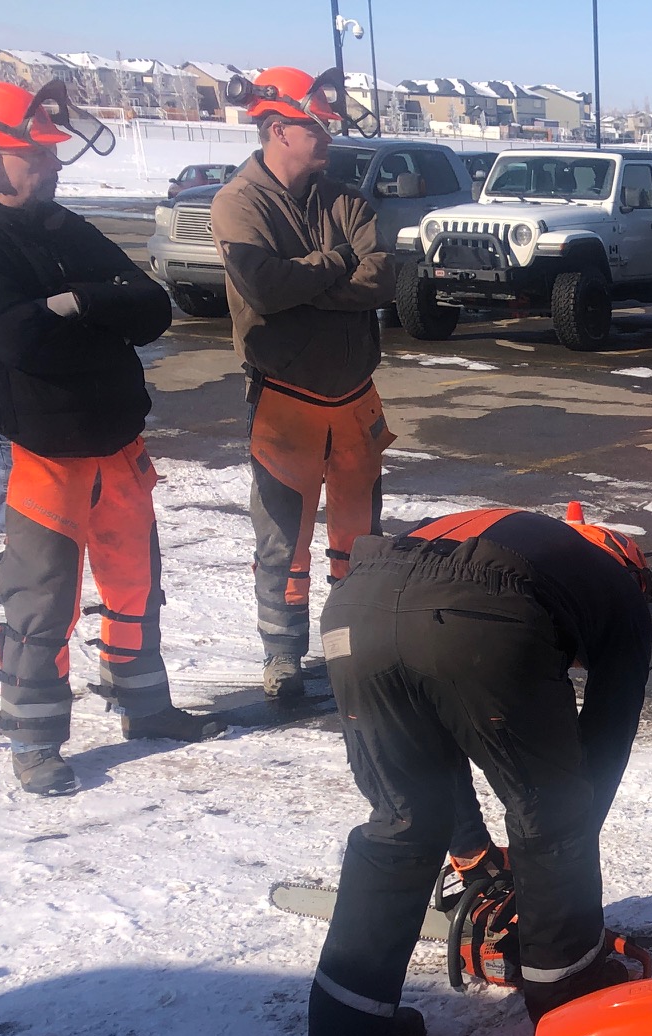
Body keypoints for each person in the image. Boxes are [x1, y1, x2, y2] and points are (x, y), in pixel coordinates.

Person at [306, 506, 652, 1036]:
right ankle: (570, 1014)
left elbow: (436, 723)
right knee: (554, 815)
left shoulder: (519, 537)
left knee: (401, 820)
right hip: (481, 614)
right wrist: (545, 870)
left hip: (354, 609)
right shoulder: (619, 589)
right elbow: (601, 747)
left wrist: (472, 850)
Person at [0, 81, 224, 797]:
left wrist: (74, 303)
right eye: (36, 153)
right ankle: (34, 738)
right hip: (36, 445)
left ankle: (146, 706)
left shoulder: (62, 224)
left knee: (136, 582)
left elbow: (153, 308)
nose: (52, 163)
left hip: (115, 439)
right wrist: (100, 319)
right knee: (42, 599)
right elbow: (20, 341)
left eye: (51, 150)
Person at [211, 66, 392, 707]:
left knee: (358, 541)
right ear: (278, 128)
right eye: (317, 127)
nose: (328, 138)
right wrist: (338, 264)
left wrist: (307, 284)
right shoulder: (239, 202)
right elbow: (265, 288)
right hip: (285, 400)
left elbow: (382, 278)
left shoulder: (345, 199)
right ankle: (283, 658)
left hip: (354, 398)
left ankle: (350, 653)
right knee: (282, 546)